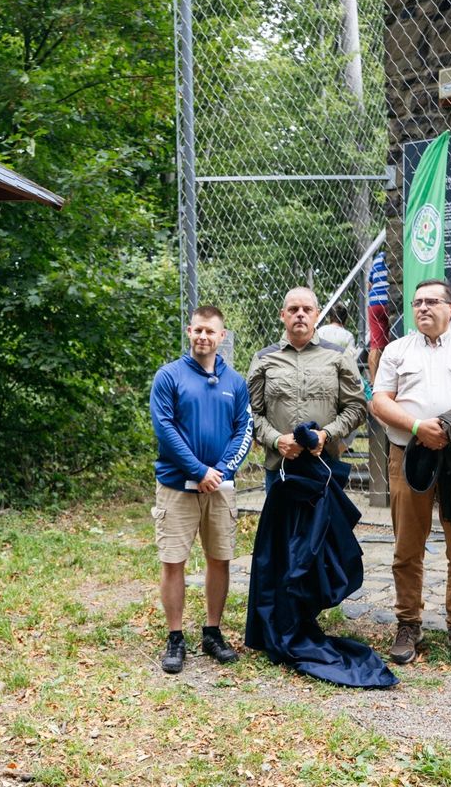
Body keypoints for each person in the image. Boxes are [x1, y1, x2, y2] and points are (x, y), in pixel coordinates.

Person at [371, 279, 451, 667]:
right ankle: (408, 622)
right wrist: (417, 427)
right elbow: (380, 401)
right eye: (417, 303)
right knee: (407, 546)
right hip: (409, 455)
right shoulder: (397, 351)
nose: (423, 308)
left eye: (432, 302)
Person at [150, 305, 253, 674]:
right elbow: (165, 428)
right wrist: (197, 469)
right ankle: (175, 637)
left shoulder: (236, 383)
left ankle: (212, 632)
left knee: (219, 558)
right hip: (177, 486)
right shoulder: (169, 376)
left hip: (220, 489)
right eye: (198, 331)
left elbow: (245, 430)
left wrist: (221, 470)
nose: (203, 337)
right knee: (173, 560)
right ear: (189, 331)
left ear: (222, 337)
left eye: (211, 332)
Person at [247, 287, 366, 494]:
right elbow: (250, 413)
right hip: (279, 468)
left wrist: (326, 435)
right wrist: (276, 440)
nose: (300, 314)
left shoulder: (339, 356)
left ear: (317, 314)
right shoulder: (263, 359)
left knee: (324, 526)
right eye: (293, 309)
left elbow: (356, 408)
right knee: (280, 527)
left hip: (324, 466)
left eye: (307, 309)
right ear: (282, 315)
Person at [366, 250, 392, 382]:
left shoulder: (378, 258)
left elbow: (369, 284)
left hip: (374, 302)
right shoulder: (395, 255)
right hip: (389, 298)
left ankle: (373, 381)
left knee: (375, 344)